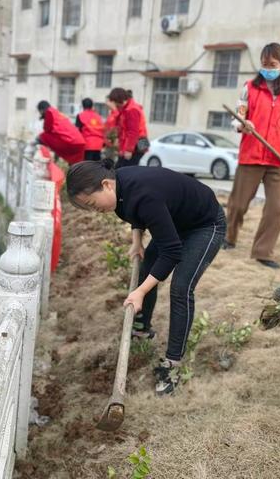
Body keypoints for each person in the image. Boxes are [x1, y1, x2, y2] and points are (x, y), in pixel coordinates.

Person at [66, 161, 226, 394]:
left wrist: (140, 291)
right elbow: (134, 213)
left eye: (92, 204)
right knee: (149, 265)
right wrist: (137, 241)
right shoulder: (120, 188)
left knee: (181, 288)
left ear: (106, 185)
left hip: (205, 225)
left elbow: (171, 252)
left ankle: (173, 363)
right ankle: (142, 329)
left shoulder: (143, 194)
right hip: (177, 222)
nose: (94, 210)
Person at [223, 42, 280, 269]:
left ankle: (263, 251)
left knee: (275, 208)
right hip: (251, 156)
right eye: (264, 64)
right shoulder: (250, 88)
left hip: (278, 161)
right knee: (238, 204)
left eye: (273, 64)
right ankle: (229, 237)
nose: (268, 68)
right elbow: (237, 118)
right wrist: (242, 125)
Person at [107, 88, 149, 168]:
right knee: (123, 168)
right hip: (138, 141)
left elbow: (133, 131)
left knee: (124, 169)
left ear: (118, 100)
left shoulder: (132, 109)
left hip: (138, 142)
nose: (115, 104)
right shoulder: (127, 108)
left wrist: (129, 150)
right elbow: (120, 126)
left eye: (114, 102)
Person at [37, 100, 85, 165]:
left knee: (42, 136)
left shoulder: (49, 112)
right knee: (76, 168)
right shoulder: (57, 113)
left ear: (41, 110)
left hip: (71, 142)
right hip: (80, 142)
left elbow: (47, 130)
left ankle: (45, 161)